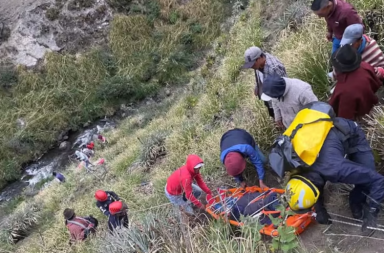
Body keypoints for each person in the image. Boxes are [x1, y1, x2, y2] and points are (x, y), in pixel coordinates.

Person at [284, 115, 384, 234]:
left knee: (367, 180)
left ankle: (356, 202)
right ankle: (356, 204)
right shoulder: (298, 167)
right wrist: (320, 210)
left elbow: (378, 180)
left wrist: (372, 212)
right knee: (318, 176)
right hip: (326, 138)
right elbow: (312, 186)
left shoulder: (336, 170)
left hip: (351, 134)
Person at [329, 44, 381, 120]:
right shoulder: (365, 66)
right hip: (371, 101)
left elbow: (345, 118)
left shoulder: (345, 90)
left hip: (361, 115)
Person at [242, 46, 287, 118]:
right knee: (273, 114)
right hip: (268, 98)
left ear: (259, 58)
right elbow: (259, 74)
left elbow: (284, 88)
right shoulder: (258, 64)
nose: (251, 67)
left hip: (278, 102)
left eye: (252, 64)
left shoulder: (274, 68)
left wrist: (279, 114)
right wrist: (257, 86)